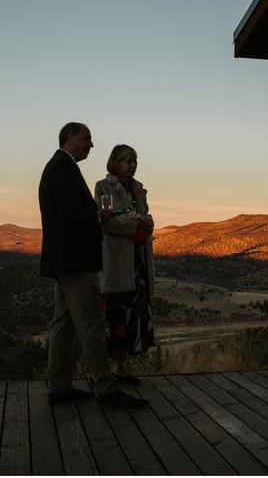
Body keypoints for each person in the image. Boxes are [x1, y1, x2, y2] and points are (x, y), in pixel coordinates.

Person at [39, 122, 148, 408]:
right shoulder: (64, 169)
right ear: (71, 138)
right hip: (76, 260)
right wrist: (99, 215)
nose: (91, 145)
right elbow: (71, 212)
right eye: (87, 138)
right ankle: (106, 386)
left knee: (62, 324)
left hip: (63, 261)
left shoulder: (58, 166)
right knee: (90, 323)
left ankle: (60, 386)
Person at [94, 144, 156, 384]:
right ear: (115, 162)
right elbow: (107, 222)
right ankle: (108, 370)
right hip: (118, 261)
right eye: (126, 161)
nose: (132, 165)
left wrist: (144, 222)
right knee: (116, 314)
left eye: (134, 161)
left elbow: (146, 218)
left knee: (135, 315)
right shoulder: (103, 186)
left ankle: (121, 369)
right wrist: (136, 225)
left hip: (138, 260)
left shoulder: (138, 189)